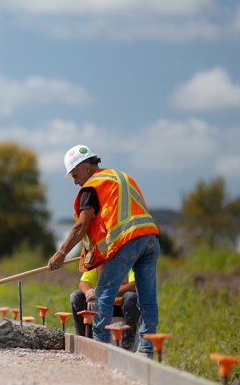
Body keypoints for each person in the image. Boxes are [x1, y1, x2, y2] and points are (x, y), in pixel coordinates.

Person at [47, 145, 160, 357]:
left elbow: (82, 226)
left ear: (87, 168)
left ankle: (100, 347)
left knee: (103, 294)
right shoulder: (120, 177)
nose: (75, 181)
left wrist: (61, 253)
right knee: (147, 299)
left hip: (128, 241)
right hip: (150, 238)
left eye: (75, 174)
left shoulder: (92, 186)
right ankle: (146, 350)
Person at [71, 268, 139, 350]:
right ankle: (85, 340)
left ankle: (127, 343)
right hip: (101, 305)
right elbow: (83, 282)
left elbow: (134, 285)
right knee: (76, 296)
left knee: (131, 296)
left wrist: (106, 294)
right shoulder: (99, 260)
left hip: (123, 307)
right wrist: (90, 293)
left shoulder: (129, 259)